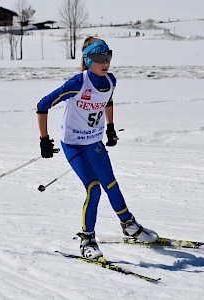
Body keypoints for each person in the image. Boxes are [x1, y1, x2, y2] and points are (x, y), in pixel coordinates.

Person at [36, 36, 158, 260]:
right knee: (94, 188)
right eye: (100, 57)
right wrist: (44, 139)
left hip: (94, 141)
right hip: (73, 145)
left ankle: (128, 225)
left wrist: (111, 128)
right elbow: (43, 104)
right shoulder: (78, 82)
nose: (106, 62)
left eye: (108, 55)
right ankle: (87, 240)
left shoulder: (110, 81)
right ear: (88, 59)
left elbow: (107, 100)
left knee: (111, 184)